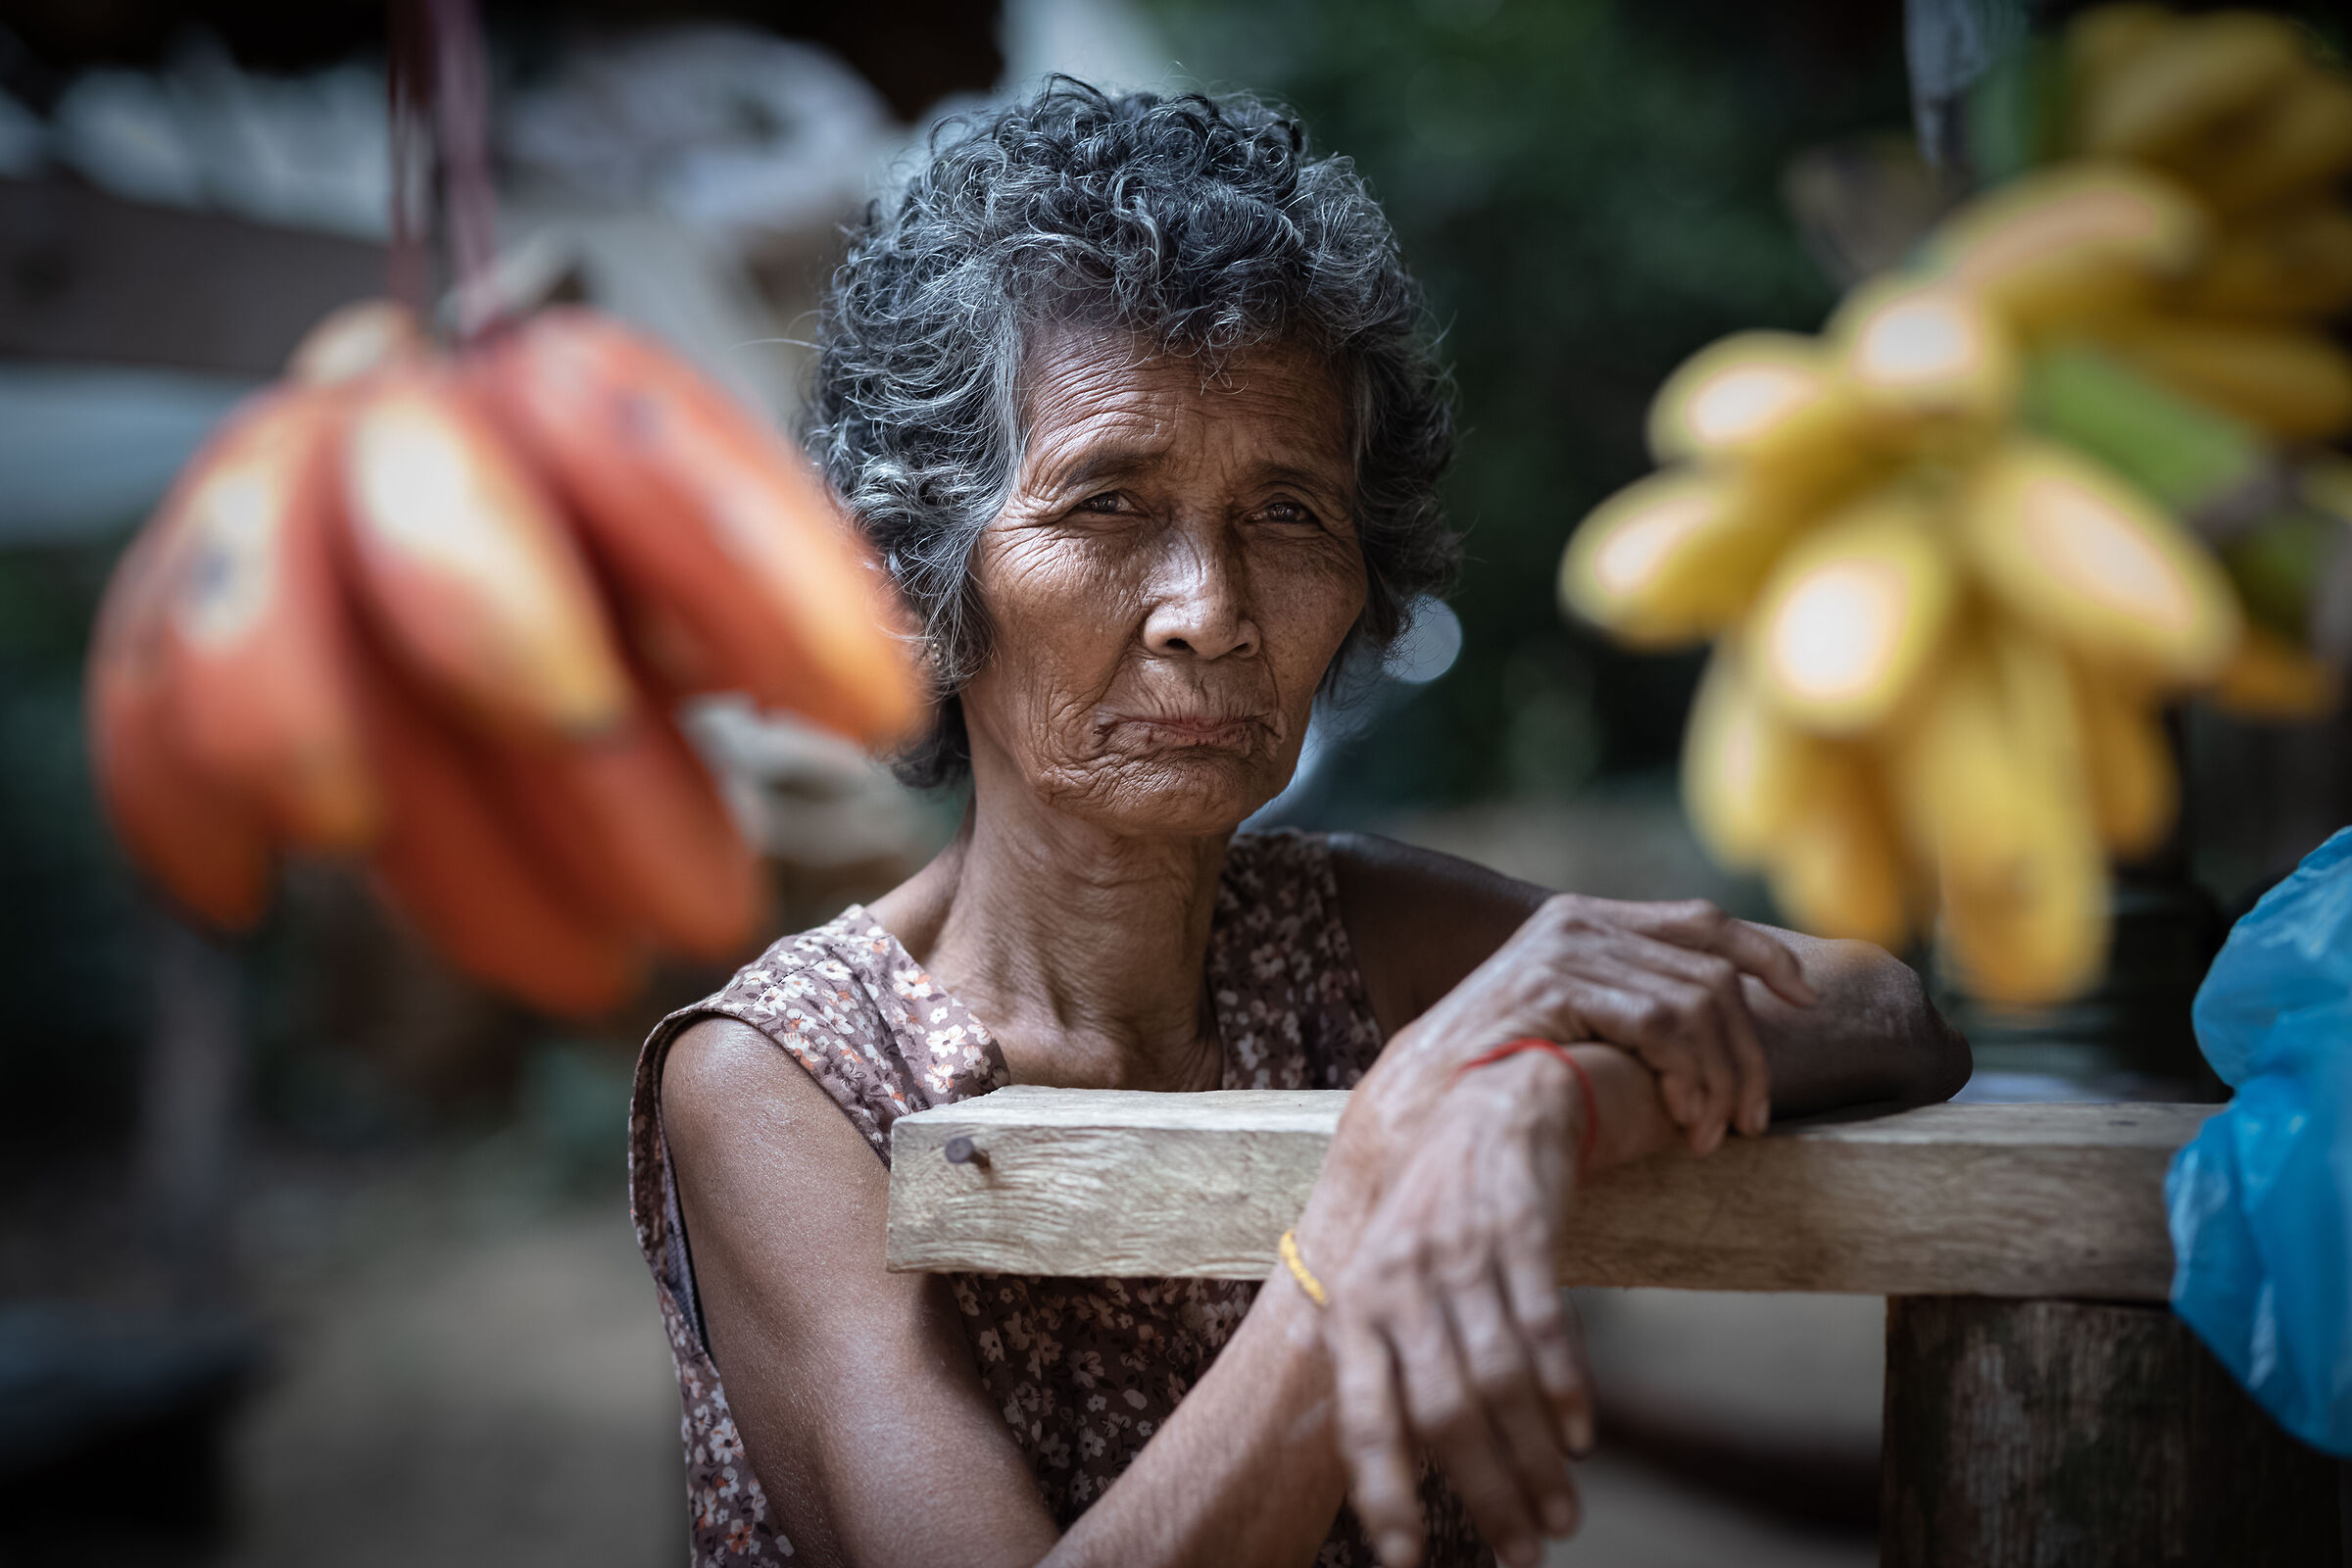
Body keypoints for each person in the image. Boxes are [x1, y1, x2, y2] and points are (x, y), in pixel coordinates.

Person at [629, 80, 1970, 1568]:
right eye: (1104, 506)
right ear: (925, 576)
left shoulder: (1356, 942)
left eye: (1286, 516)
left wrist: (1524, 1097)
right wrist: (1368, 1209)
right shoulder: (785, 1080)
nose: (1210, 615)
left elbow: (1887, 1012)